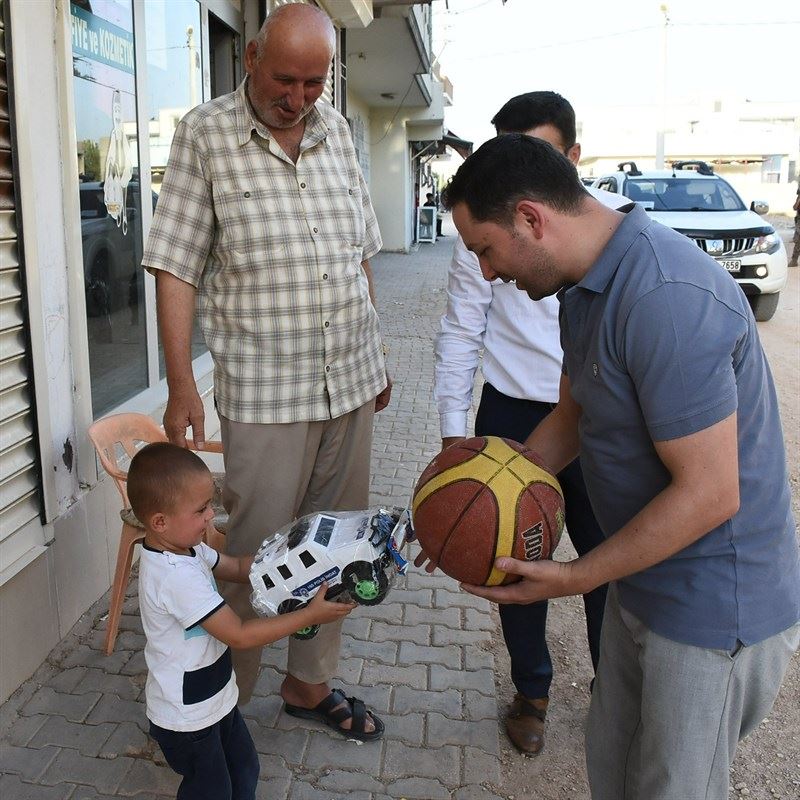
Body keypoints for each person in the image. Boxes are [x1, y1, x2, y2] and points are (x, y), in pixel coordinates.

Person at [436, 134, 800, 799]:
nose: (486, 274)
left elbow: (712, 493)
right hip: (643, 581)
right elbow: (571, 419)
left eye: (484, 249)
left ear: (531, 217)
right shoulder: (582, 286)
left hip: (710, 609)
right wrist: (470, 502)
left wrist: (574, 576)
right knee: (616, 771)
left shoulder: (665, 297)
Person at [141, 4, 390, 740]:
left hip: (348, 379)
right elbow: (176, 266)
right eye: (286, 79)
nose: (299, 97)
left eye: (315, 83)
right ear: (250, 57)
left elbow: (360, 253)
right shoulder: (205, 135)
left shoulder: (338, 130)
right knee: (257, 554)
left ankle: (309, 686)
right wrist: (182, 382)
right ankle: (219, 706)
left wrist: (374, 354)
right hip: (265, 392)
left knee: (338, 547)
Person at [433, 91, 628, 755]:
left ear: (571, 158)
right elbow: (461, 330)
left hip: (598, 416)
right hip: (513, 413)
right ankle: (531, 691)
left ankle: (617, 694)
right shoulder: (480, 233)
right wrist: (455, 436)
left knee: (607, 563)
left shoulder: (619, 240)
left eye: (536, 154)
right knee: (508, 560)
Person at [127, 442, 356, 800]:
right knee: (211, 790)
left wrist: (287, 565)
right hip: (188, 718)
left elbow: (233, 567)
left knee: (244, 767)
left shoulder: (187, 547)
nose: (210, 517)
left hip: (215, 698)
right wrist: (308, 615)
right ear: (160, 521)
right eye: (201, 509)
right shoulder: (174, 578)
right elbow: (240, 634)